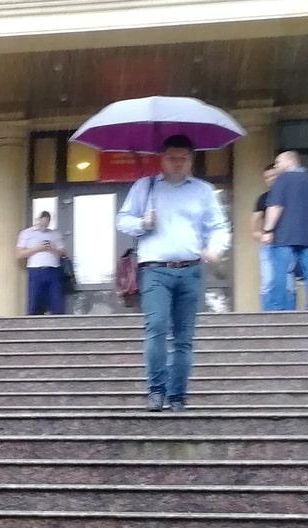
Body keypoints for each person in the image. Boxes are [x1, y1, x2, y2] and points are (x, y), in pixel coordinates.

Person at [116, 135, 230, 411]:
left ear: (191, 160)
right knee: (156, 328)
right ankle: (156, 390)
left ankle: (177, 394)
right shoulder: (145, 187)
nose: (177, 163)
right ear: (162, 159)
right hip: (155, 270)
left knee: (183, 337)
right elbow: (122, 220)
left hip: (191, 270)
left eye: (183, 158)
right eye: (171, 158)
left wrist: (215, 248)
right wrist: (143, 223)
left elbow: (218, 226)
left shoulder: (203, 191)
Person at [262, 149, 308, 311]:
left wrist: (268, 230)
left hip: (284, 236)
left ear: (290, 161)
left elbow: (276, 207)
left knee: (280, 270)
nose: (276, 166)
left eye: (278, 162)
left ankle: (277, 307)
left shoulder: (282, 180)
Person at [17, 210, 68, 315]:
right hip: (36, 270)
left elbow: (63, 254)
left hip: (53, 270)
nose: (44, 225)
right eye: (43, 222)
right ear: (38, 220)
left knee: (56, 303)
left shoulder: (55, 234)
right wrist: (37, 248)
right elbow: (19, 254)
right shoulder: (26, 233)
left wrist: (51, 248)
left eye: (47, 223)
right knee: (35, 303)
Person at [253, 164, 287, 312]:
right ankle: (267, 317)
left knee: (287, 281)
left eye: (274, 175)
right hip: (268, 246)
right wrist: (260, 235)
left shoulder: (290, 196)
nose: (270, 179)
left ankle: (289, 316)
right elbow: (254, 225)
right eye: (267, 177)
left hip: (287, 244)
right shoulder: (263, 198)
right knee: (268, 280)